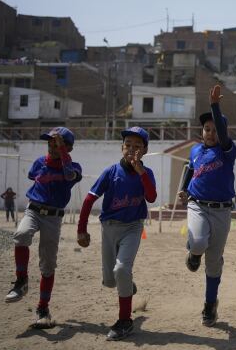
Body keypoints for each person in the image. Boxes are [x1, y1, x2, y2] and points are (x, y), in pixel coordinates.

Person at [76, 127, 157, 341]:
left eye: (137, 146)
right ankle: (128, 285)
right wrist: (81, 229)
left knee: (122, 268)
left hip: (133, 227)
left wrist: (141, 173)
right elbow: (88, 200)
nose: (132, 150)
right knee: (111, 281)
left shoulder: (146, 174)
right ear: (122, 148)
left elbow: (151, 197)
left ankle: (124, 321)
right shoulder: (110, 172)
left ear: (145, 150)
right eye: (128, 145)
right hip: (109, 227)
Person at [5, 127, 82, 330]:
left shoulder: (74, 167)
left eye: (57, 143)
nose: (52, 146)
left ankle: (43, 309)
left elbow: (68, 175)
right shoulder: (39, 163)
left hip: (53, 218)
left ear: (69, 148)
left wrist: (62, 152)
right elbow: (33, 177)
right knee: (21, 235)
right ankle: (21, 281)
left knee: (48, 265)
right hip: (34, 210)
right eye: (50, 142)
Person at [176, 84, 236, 327]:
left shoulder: (227, 151)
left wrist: (215, 105)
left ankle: (210, 304)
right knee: (199, 242)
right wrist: (182, 189)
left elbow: (222, 135)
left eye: (215, 129)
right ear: (201, 131)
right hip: (198, 205)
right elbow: (189, 170)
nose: (210, 133)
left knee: (214, 262)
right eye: (206, 128)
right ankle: (193, 252)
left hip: (222, 210)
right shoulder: (195, 150)